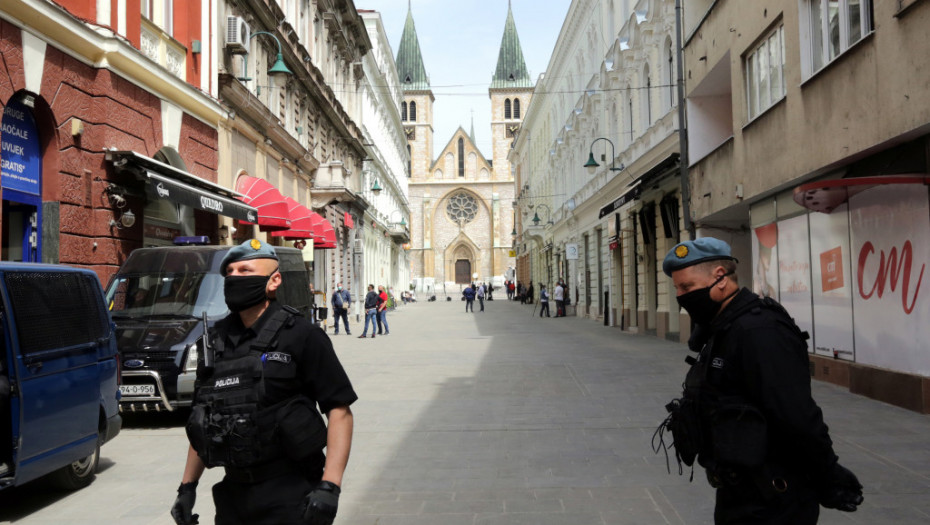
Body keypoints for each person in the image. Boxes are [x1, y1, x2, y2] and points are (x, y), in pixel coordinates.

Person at [658, 237, 862, 525]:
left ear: (720, 277)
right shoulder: (724, 327)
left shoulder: (759, 330)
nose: (681, 295)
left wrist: (828, 473)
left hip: (774, 496)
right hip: (741, 491)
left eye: (687, 287)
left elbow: (796, 414)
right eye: (677, 288)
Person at [171, 239, 356, 525]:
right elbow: (203, 419)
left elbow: (339, 410)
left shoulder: (302, 335)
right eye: (229, 272)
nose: (234, 277)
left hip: (292, 492)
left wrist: (330, 485)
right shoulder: (214, 342)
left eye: (245, 270)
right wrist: (187, 487)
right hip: (233, 496)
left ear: (274, 281)